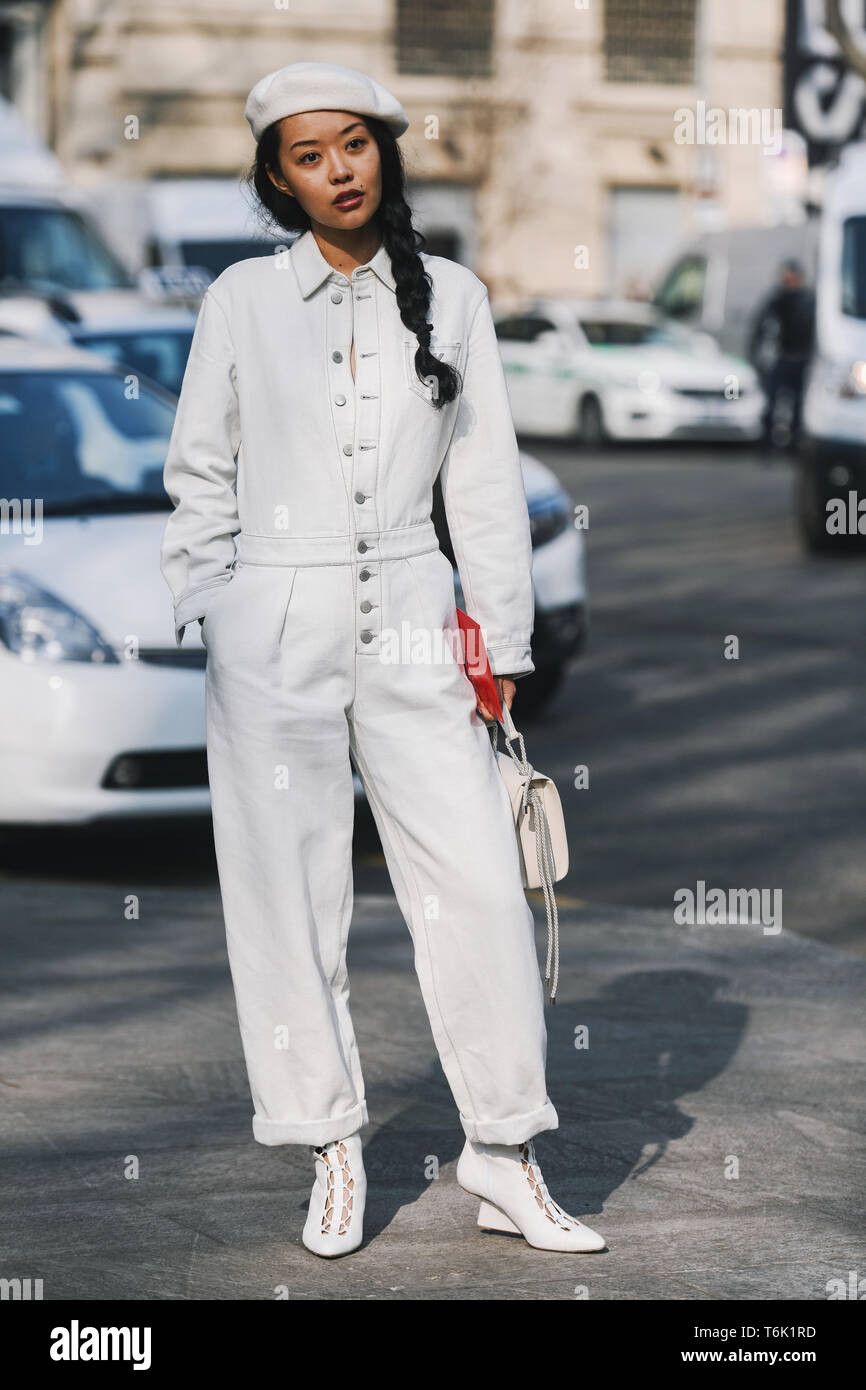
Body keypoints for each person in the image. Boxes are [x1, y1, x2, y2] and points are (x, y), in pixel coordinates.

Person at [159, 61, 605, 1259]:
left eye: (352, 145)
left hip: (414, 603)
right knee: (284, 896)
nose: (337, 170)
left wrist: (499, 636)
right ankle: (331, 1148)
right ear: (276, 178)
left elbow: (485, 475)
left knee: (472, 881)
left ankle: (503, 1150)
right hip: (276, 619)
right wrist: (217, 602)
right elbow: (200, 467)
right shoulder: (241, 303)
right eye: (309, 155)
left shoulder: (450, 295)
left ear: (383, 152)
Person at [748, 257, 815, 448]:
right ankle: (767, 441)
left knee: (798, 404)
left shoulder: (809, 300)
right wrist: (756, 354)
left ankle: (793, 443)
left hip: (802, 359)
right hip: (782, 357)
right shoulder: (777, 299)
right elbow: (760, 327)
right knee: (772, 401)